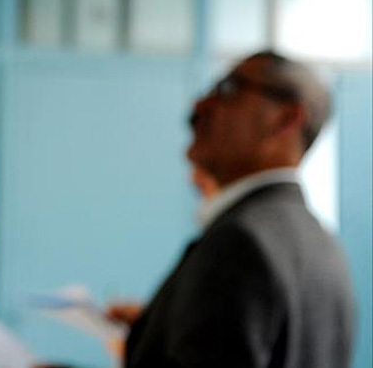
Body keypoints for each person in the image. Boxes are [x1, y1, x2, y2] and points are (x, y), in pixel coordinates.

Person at [107, 50, 355, 367]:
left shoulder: (240, 242)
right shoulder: (323, 245)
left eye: (228, 89)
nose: (199, 106)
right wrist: (159, 329)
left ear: (286, 118)